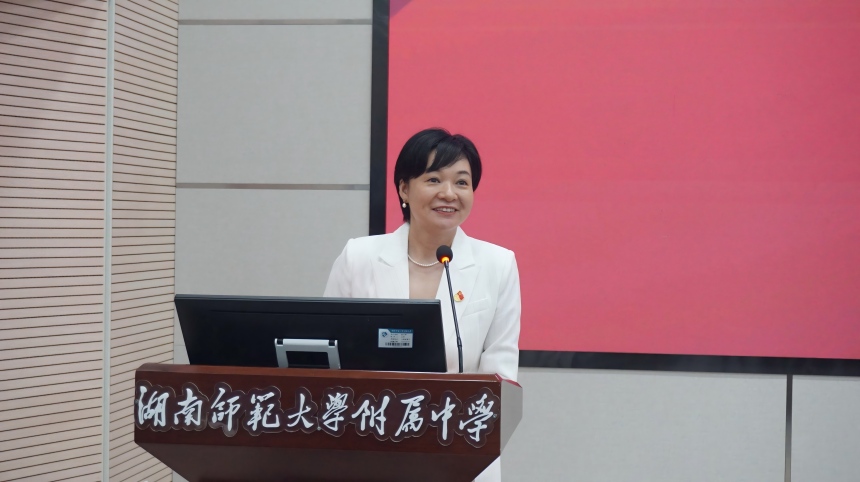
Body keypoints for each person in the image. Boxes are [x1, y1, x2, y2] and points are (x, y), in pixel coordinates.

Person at [324, 128, 521, 481]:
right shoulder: (359, 257)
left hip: (458, 454)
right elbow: (327, 357)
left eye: (462, 182)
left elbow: (501, 375)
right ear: (404, 188)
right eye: (434, 179)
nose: (449, 193)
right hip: (368, 448)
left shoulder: (497, 264)